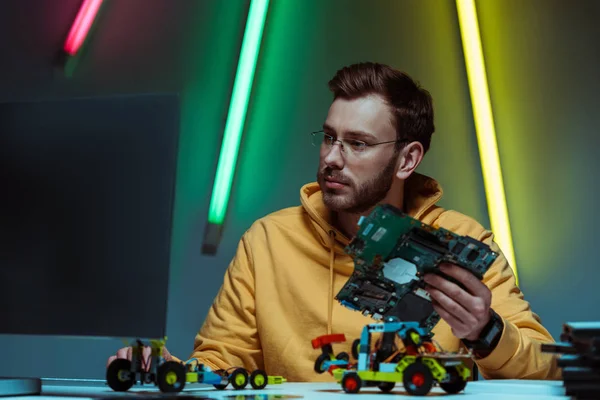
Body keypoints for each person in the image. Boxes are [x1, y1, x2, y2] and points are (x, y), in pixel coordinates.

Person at [108, 62, 561, 382]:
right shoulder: (269, 240)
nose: (331, 158)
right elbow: (223, 360)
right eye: (328, 138)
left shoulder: (464, 240)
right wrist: (168, 369)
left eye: (357, 144)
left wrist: (487, 332)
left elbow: (545, 365)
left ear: (408, 158)